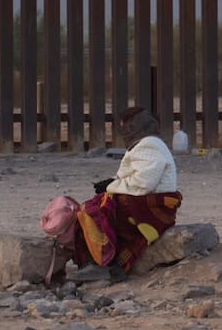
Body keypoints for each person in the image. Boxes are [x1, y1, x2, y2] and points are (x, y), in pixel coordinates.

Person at [73, 106, 182, 274]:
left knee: (97, 210)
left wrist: (110, 186)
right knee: (99, 204)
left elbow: (143, 184)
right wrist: (112, 184)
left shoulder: (149, 146)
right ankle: (100, 261)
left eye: (124, 126)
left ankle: (104, 264)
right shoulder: (145, 145)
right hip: (145, 202)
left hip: (153, 208)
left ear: (133, 126)